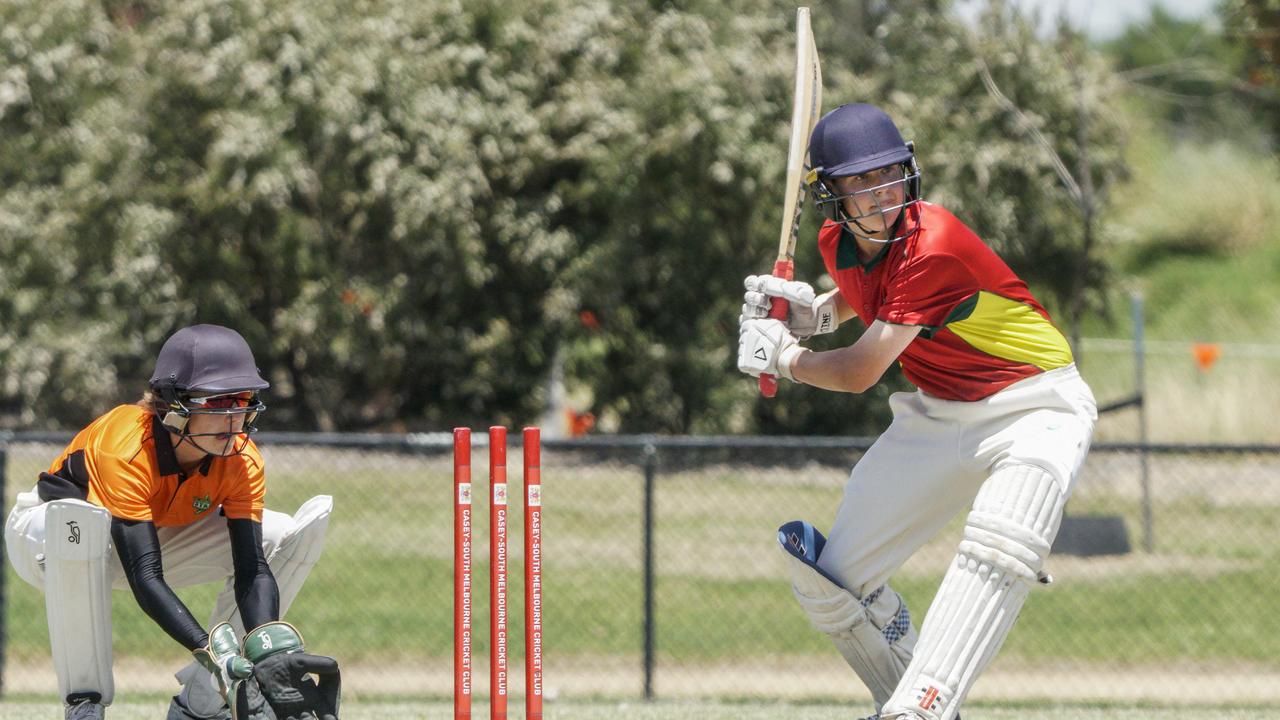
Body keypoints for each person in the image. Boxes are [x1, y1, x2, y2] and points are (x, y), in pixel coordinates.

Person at [738, 103, 1097, 720]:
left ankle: (923, 707)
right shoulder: (838, 244)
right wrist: (813, 316)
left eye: (888, 176)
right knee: (829, 584)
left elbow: (857, 372)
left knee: (1001, 542)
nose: (880, 196)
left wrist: (787, 359)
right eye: (859, 183)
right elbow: (868, 296)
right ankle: (903, 675)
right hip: (939, 415)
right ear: (833, 196)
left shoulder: (935, 243)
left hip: (1035, 405)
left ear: (908, 171)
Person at [5, 324, 338, 720]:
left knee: (281, 533)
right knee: (80, 523)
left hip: (145, 535)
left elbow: (251, 568)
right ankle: (84, 703)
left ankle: (203, 702)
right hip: (46, 540)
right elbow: (145, 575)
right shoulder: (127, 446)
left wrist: (264, 649)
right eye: (217, 402)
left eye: (242, 399)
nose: (234, 416)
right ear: (172, 404)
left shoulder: (241, 458)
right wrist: (213, 650)